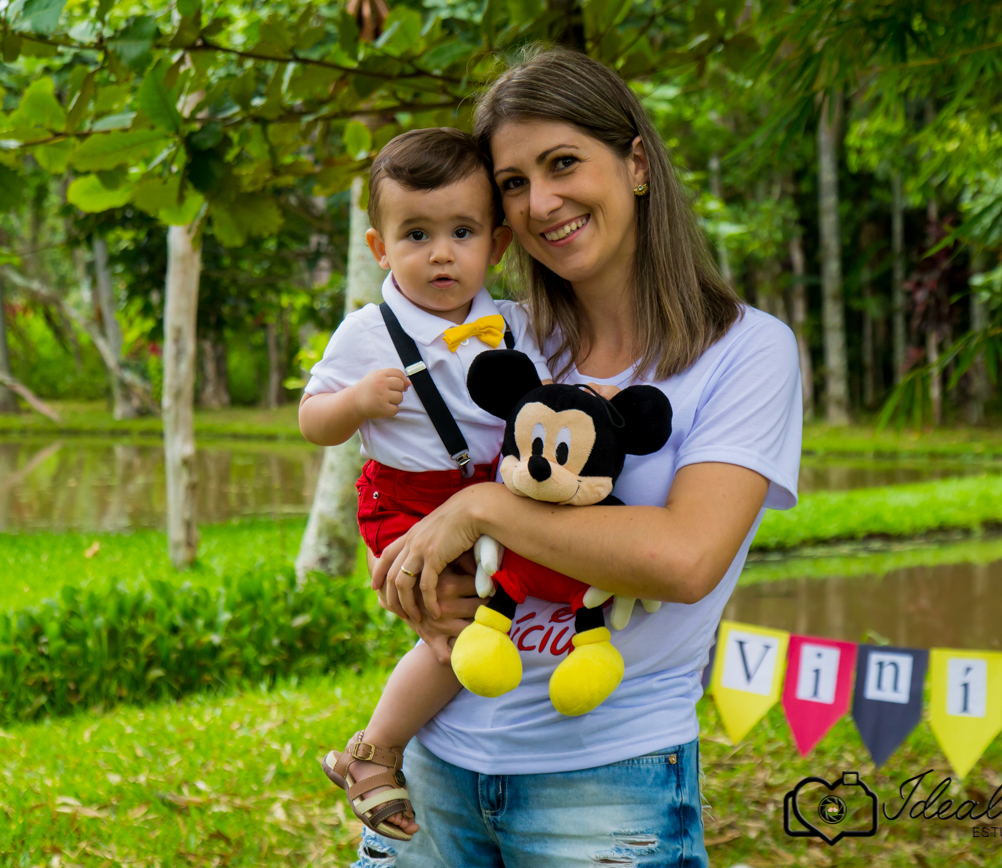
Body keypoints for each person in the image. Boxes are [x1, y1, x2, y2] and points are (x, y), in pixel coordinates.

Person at [352, 46, 804, 868]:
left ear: (635, 162)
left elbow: (685, 558)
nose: (541, 203)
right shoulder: (494, 339)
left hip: (605, 783)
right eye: (514, 183)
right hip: (437, 765)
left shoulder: (746, 353)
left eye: (563, 164)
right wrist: (410, 572)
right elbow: (410, 483)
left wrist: (481, 509)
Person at [298, 127, 553, 841]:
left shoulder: (516, 324)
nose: (440, 253)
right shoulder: (367, 331)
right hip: (406, 499)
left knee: (511, 602)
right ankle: (376, 752)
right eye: (415, 234)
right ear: (380, 248)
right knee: (454, 629)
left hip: (492, 496)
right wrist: (352, 405)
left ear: (496, 245)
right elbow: (311, 419)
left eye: (461, 232)